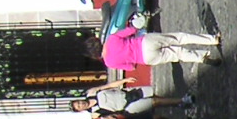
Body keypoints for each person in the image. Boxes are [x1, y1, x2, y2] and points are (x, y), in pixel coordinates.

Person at [83, 27, 221, 70]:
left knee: (178, 54)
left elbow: (131, 67)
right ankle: (212, 39)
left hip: (146, 58)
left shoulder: (109, 63)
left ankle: (202, 58)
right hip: (145, 43)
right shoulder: (111, 39)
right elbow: (132, 30)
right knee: (179, 38)